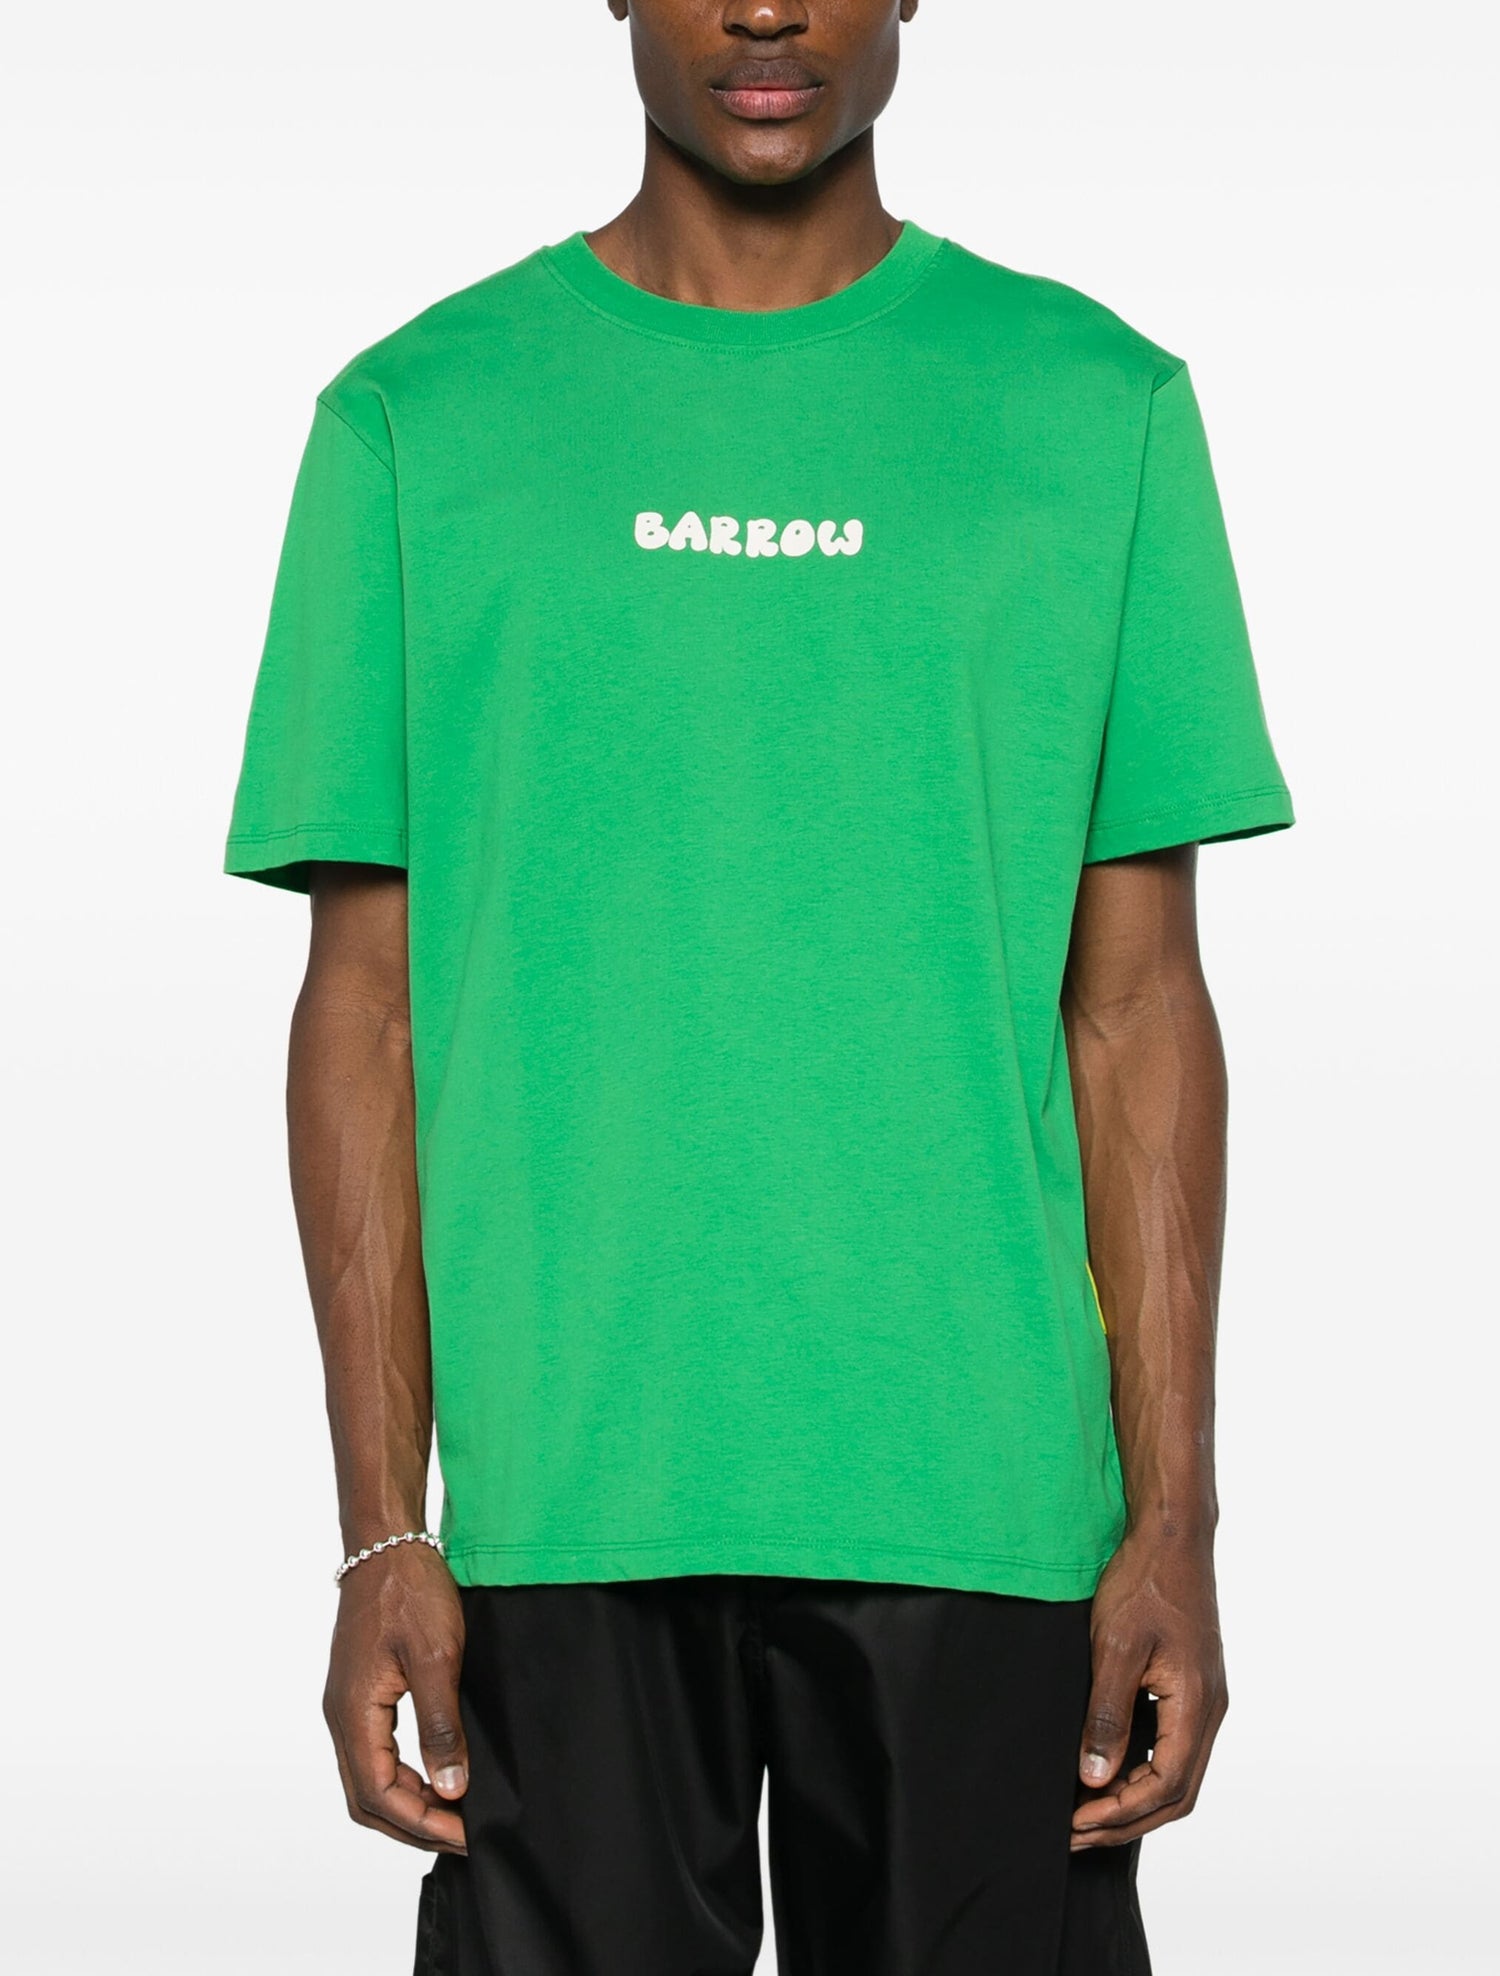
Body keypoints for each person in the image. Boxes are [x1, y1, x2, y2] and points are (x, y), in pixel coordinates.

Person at [225, 4, 1293, 1971]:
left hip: (986, 1503)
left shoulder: (1093, 407)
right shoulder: (416, 419)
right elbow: (363, 1011)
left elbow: (1138, 1009)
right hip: (569, 1503)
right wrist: (384, 1528)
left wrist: (1176, 1522)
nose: (770, 10)